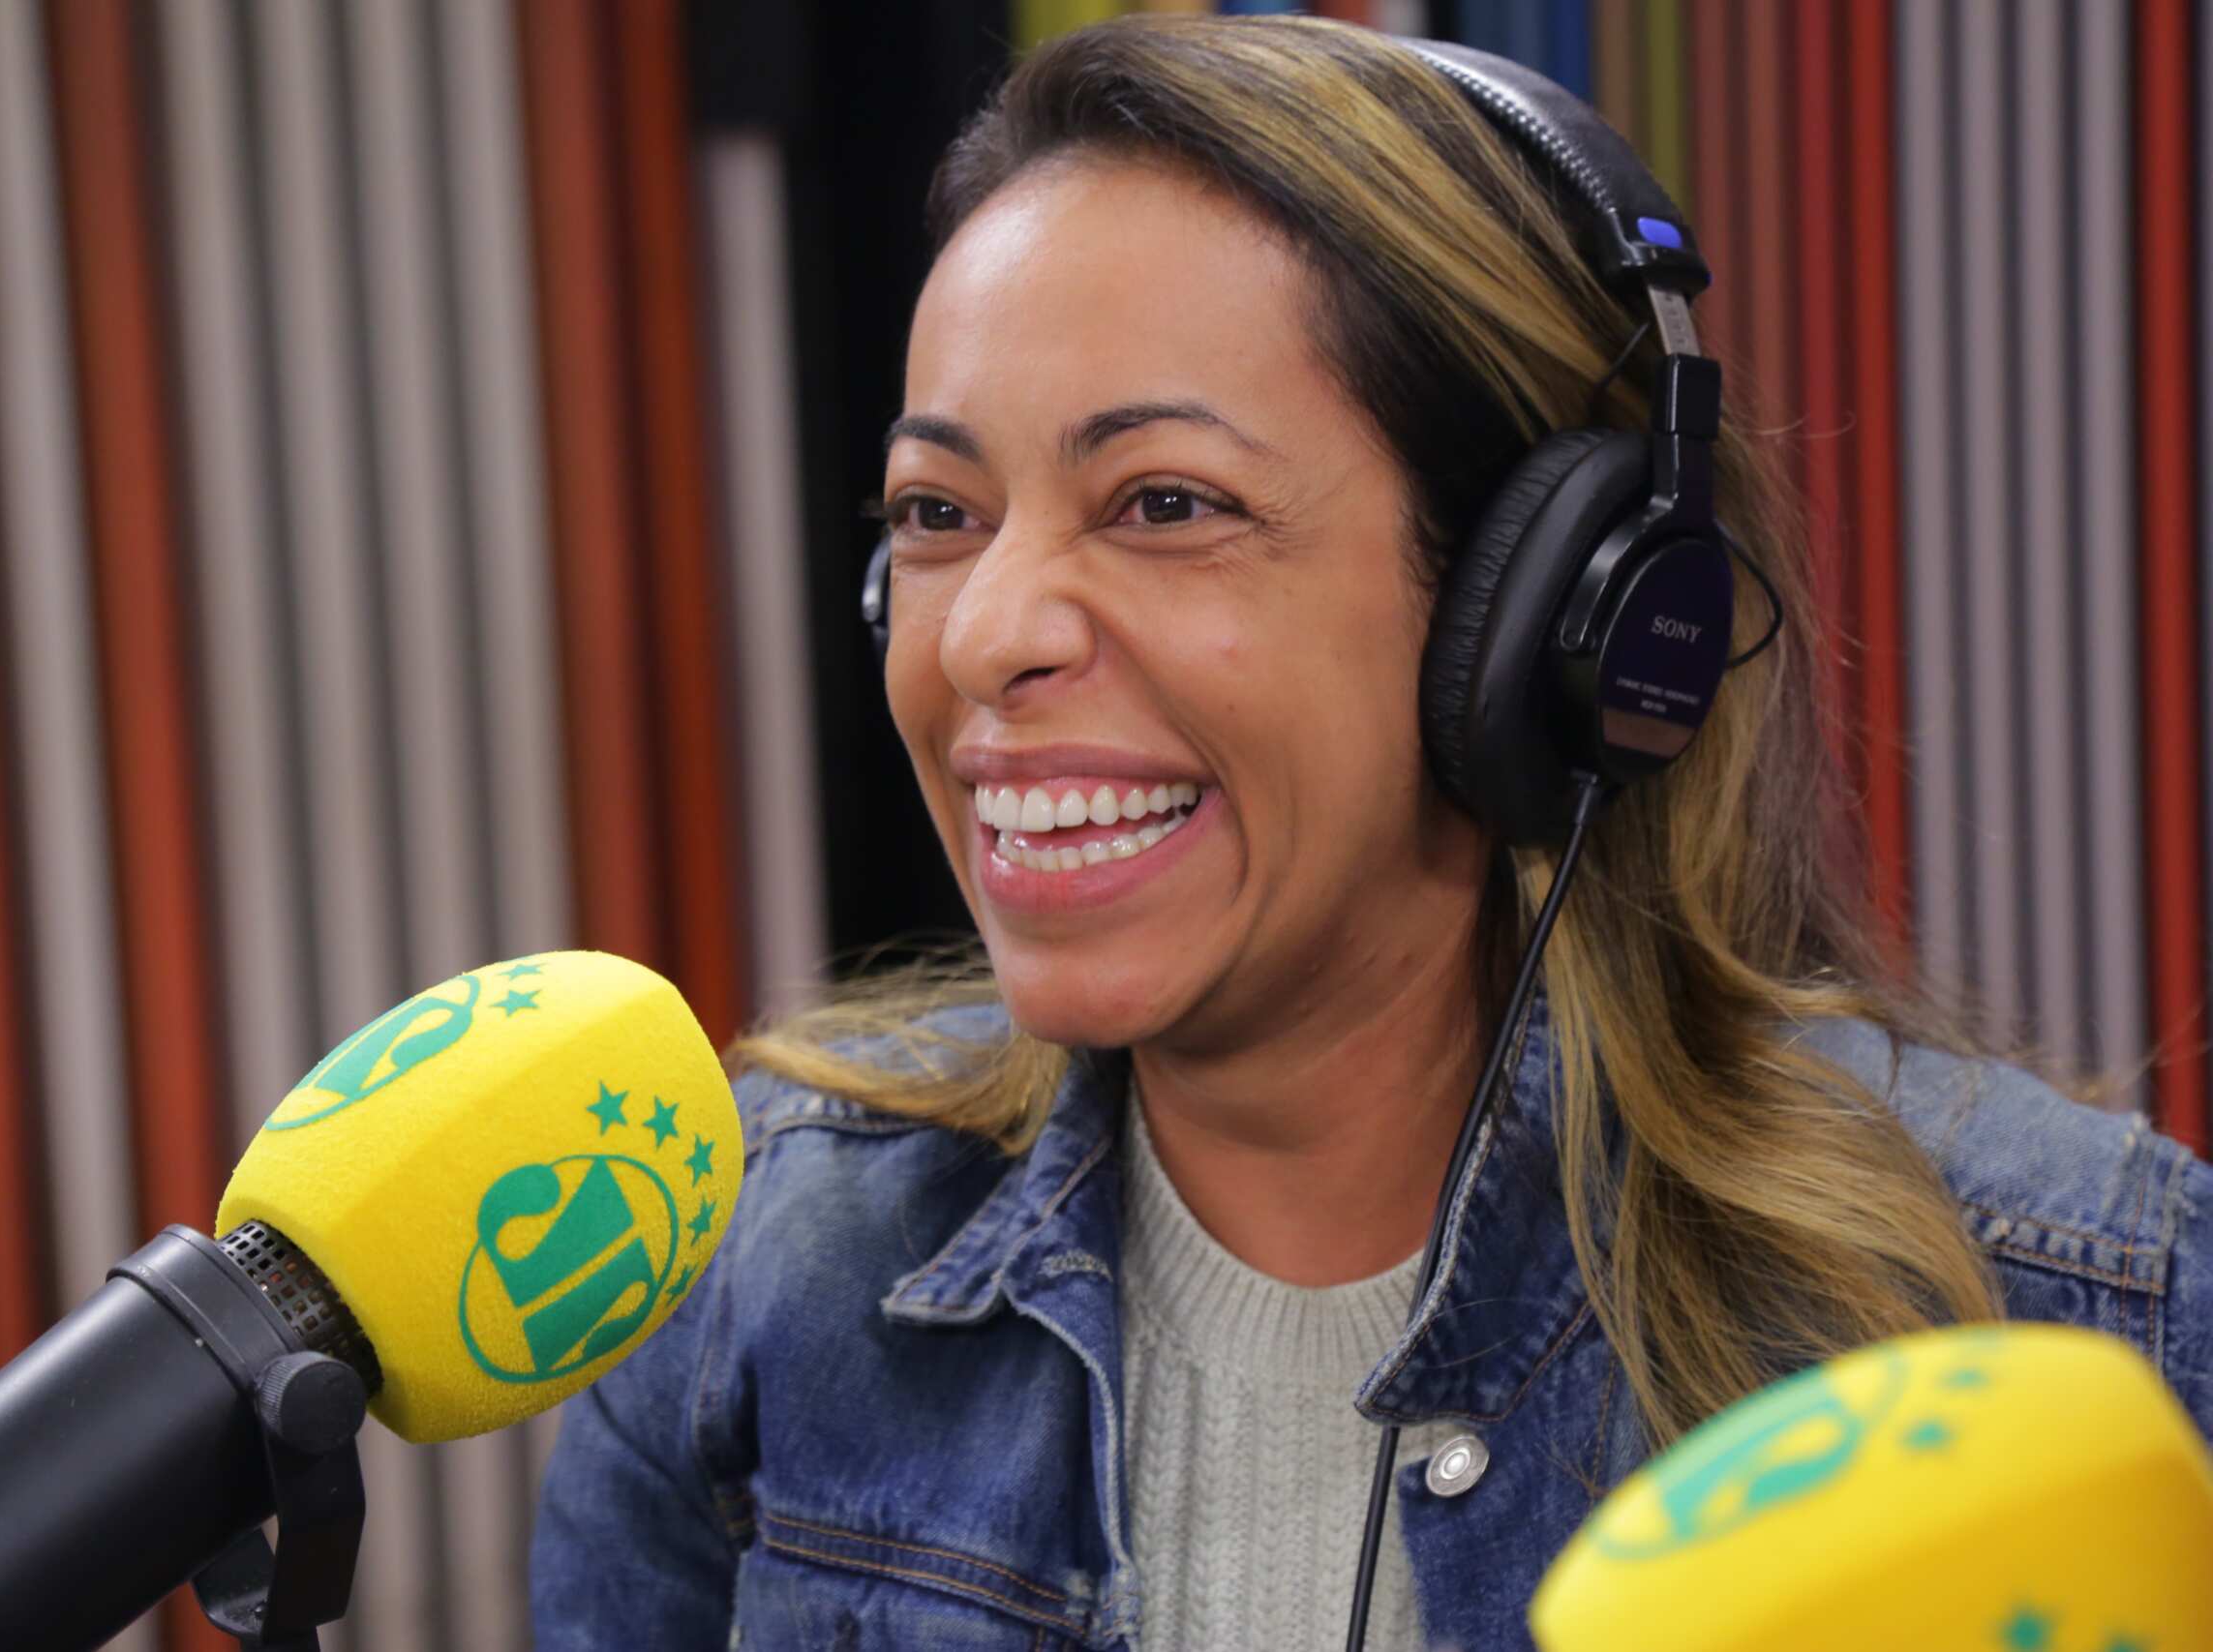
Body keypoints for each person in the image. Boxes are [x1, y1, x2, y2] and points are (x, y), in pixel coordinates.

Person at [531, 15, 2213, 1651]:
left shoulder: (2060, 1308)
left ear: (1544, 616)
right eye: (939, 513)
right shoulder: (750, 1264)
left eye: (1165, 504)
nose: (983, 636)